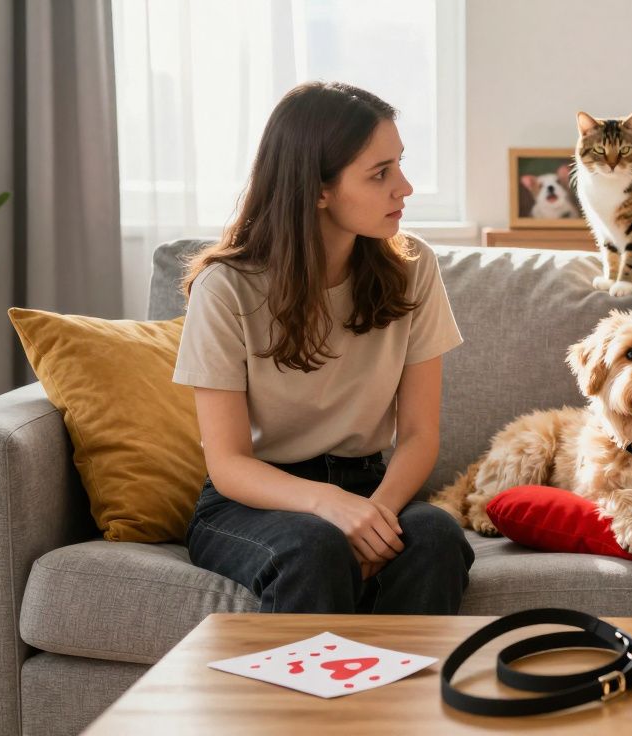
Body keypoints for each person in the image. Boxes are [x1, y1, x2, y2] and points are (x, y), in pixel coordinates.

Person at [174, 81, 474, 614]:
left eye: (399, 164)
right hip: (253, 500)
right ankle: (309, 699)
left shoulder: (413, 268)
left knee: (434, 537)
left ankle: (405, 697)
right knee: (314, 547)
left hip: (366, 483)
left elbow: (421, 435)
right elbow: (228, 463)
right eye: (380, 173)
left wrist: (373, 516)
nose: (404, 188)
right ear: (317, 188)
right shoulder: (225, 287)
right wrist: (329, 507)